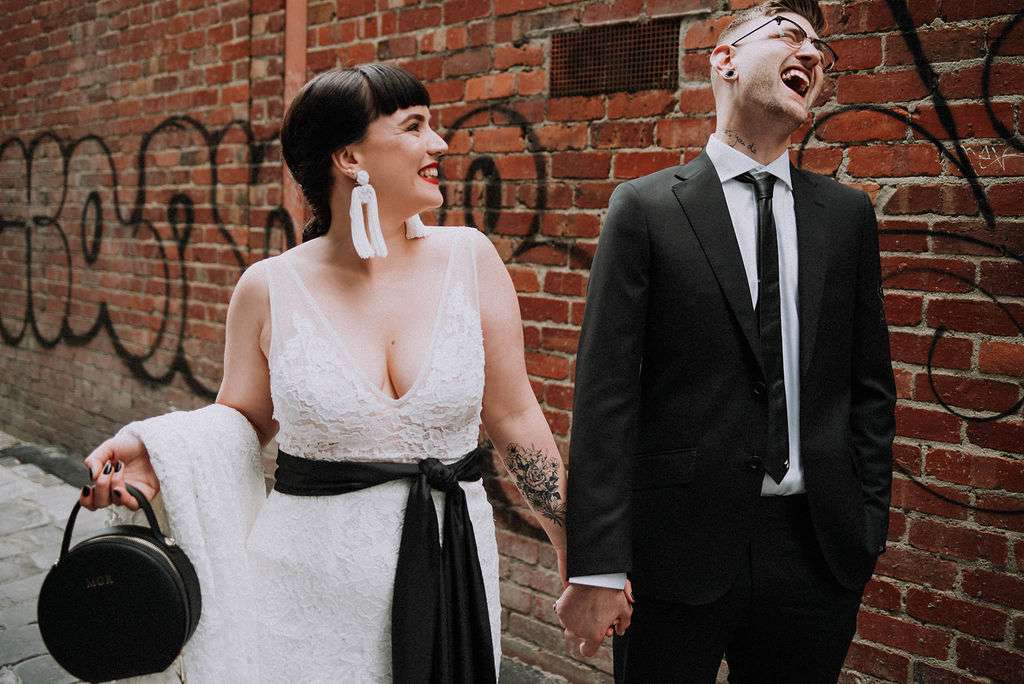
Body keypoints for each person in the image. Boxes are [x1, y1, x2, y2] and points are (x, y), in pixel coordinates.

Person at [78, 64, 570, 682]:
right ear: (349, 157)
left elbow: (516, 416)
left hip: (451, 575)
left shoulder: (469, 259)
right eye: (414, 127)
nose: (439, 144)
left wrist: (575, 551)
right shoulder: (268, 288)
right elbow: (242, 420)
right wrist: (159, 453)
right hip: (304, 596)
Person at [555, 0, 897, 681]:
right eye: (789, 35)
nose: (812, 55)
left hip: (816, 554)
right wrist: (598, 564)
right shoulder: (646, 207)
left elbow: (870, 388)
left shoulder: (845, 216)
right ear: (725, 59)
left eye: (821, 50)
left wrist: (864, 527)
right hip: (675, 550)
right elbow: (606, 396)